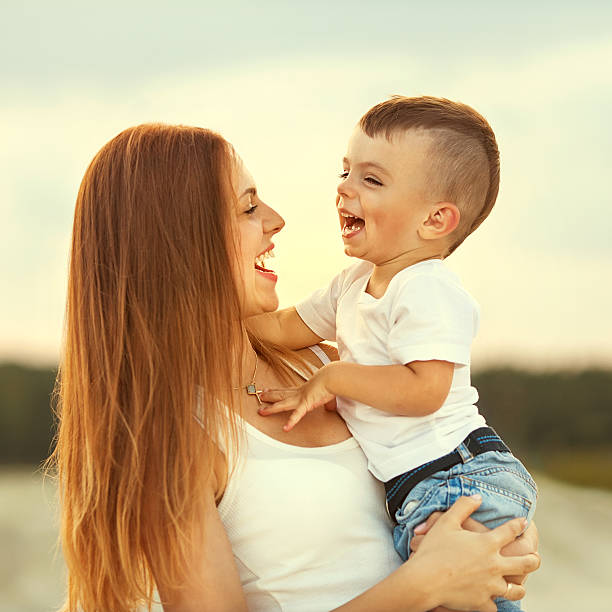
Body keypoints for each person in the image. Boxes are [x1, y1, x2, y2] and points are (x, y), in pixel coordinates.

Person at [48, 123, 539, 612]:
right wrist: (422, 586)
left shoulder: (330, 362)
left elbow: (450, 468)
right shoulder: (175, 438)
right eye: (247, 208)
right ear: (175, 240)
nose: (276, 220)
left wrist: (500, 534)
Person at [252, 96, 537, 611]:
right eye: (345, 171)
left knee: (468, 596)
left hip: (459, 476)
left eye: (371, 180)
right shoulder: (353, 284)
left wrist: (334, 378)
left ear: (435, 220)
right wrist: (204, 301)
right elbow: (281, 328)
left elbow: (426, 391)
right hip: (419, 487)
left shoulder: (427, 289)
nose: (343, 188)